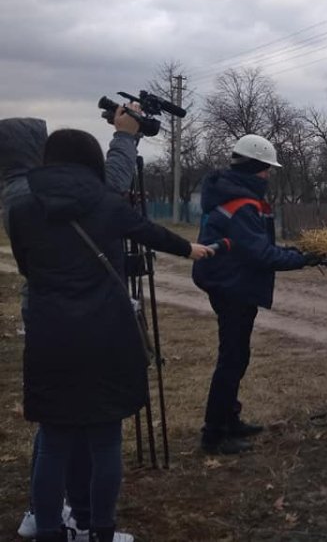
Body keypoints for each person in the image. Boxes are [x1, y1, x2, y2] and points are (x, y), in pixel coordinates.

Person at [8, 129, 214, 542]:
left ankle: (47, 530)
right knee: (105, 442)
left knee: (53, 443)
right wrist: (190, 249)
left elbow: (27, 266)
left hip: (50, 338)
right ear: (91, 159)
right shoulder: (106, 201)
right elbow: (149, 232)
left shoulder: (22, 207)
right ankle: (100, 531)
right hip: (107, 335)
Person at [1, 109, 144, 542]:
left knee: (58, 424)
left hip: (48, 318)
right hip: (87, 318)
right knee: (88, 426)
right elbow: (110, 187)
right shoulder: (37, 190)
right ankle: (80, 519)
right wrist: (124, 136)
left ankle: (51, 515)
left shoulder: (18, 193)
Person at [192, 134, 318, 455]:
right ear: (252, 168)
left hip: (230, 283)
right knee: (232, 358)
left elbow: (257, 246)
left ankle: (229, 418)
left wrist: (293, 252)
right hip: (232, 286)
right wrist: (303, 259)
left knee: (238, 355)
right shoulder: (242, 204)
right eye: (265, 170)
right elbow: (260, 254)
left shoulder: (233, 196)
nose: (267, 176)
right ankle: (215, 433)